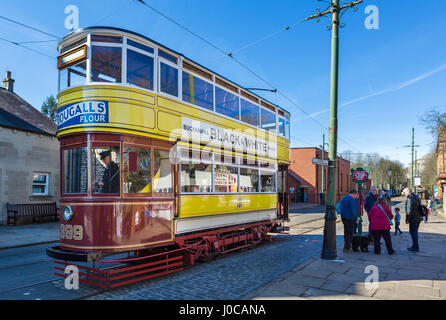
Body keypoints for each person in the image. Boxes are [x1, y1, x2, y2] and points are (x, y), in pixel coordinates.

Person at [403, 187, 423, 252]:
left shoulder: (409, 199)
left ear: (408, 191)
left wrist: (407, 220)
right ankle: (415, 246)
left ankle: (415, 247)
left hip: (413, 219)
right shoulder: (416, 197)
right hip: (418, 218)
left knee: (413, 233)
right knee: (415, 232)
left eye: (405, 192)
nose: (404, 194)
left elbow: (409, 211)